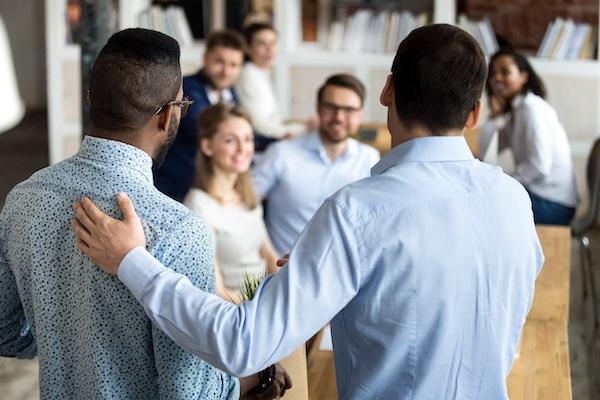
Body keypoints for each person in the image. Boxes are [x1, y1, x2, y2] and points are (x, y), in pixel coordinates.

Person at [72, 24, 544, 399]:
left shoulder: (358, 213)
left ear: (386, 90)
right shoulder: (514, 200)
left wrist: (131, 261)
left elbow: (242, 344)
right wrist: (339, 276)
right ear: (475, 113)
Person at [0, 28, 289, 399]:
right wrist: (258, 378)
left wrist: (68, 343)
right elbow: (190, 393)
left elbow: (6, 332)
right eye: (183, 106)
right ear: (168, 116)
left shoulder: (23, 198)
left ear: (91, 99)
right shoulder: (179, 230)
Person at [252, 73, 380, 256]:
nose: (339, 117)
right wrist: (266, 254)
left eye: (349, 110)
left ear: (361, 115)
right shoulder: (281, 153)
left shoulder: (370, 158)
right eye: (331, 107)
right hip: (284, 267)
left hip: (346, 267)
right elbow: (242, 204)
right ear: (318, 108)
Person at [183, 103, 278, 300]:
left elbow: (268, 255)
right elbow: (216, 291)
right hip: (238, 309)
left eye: (248, 139)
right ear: (207, 146)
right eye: (230, 140)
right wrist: (263, 307)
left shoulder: (247, 194)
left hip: (266, 298)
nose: (243, 148)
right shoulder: (198, 206)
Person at [479, 48, 578, 225]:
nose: (497, 78)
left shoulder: (532, 110)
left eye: (505, 72)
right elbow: (486, 152)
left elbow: (539, 166)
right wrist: (494, 115)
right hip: (540, 196)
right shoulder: (517, 112)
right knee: (485, 200)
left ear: (524, 76)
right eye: (493, 74)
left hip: (554, 204)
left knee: (486, 204)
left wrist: (504, 180)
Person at [154, 29, 246, 202]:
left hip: (208, 186)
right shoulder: (186, 88)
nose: (226, 71)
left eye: (233, 65)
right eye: (219, 62)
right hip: (176, 186)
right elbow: (205, 127)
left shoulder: (231, 93)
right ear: (205, 58)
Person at [235, 22, 315, 150]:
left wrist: (303, 124)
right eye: (262, 44)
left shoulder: (260, 72)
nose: (270, 49)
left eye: (273, 43)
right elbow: (260, 126)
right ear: (248, 48)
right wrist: (304, 128)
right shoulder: (248, 76)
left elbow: (273, 119)